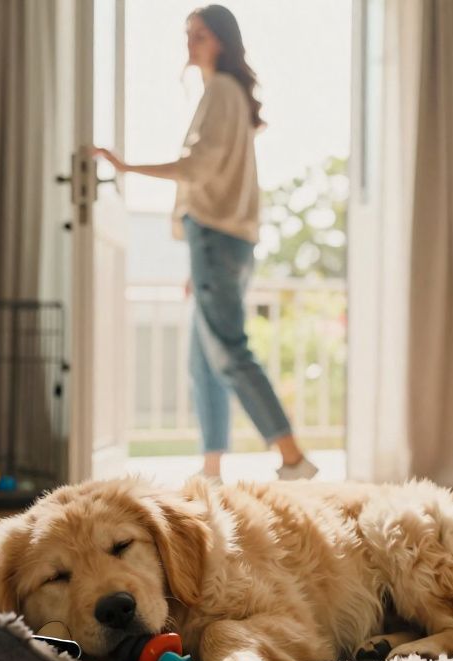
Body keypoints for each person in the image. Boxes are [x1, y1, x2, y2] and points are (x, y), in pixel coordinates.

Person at [94, 4, 317, 483]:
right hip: (220, 242)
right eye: (188, 33)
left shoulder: (221, 92)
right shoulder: (228, 94)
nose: (190, 43)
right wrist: (197, 268)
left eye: (199, 34)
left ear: (221, 40)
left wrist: (127, 167)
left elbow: (198, 167)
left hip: (217, 239)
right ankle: (211, 470)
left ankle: (294, 459)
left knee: (230, 353)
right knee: (203, 360)